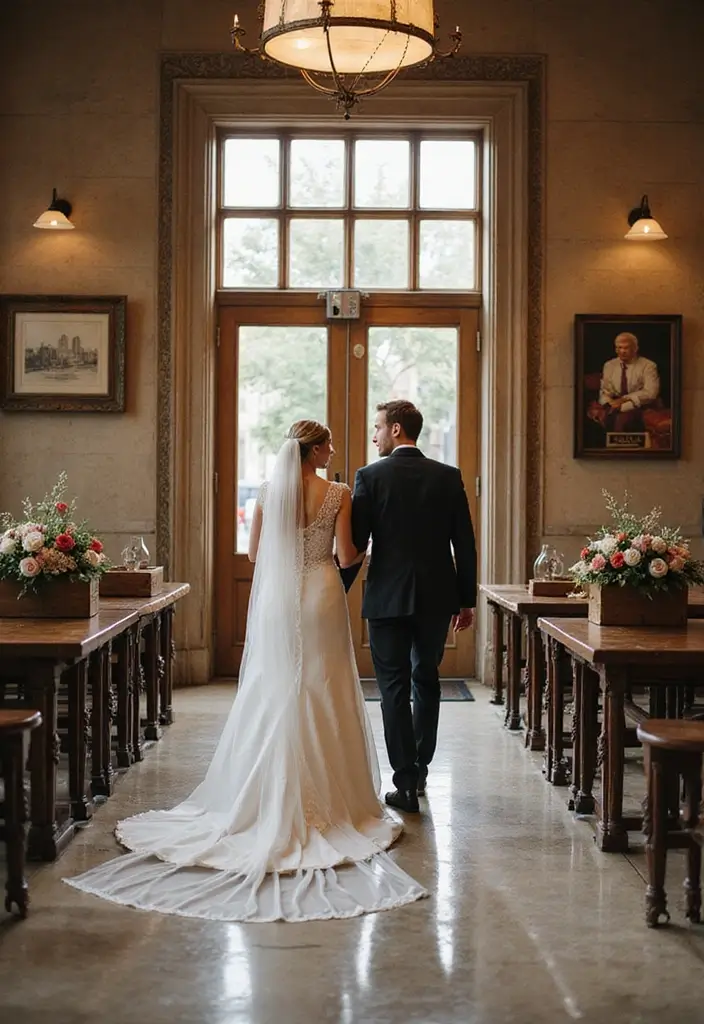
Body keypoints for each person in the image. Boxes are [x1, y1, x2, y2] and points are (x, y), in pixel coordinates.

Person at [65, 421, 427, 923]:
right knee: (322, 687)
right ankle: (331, 799)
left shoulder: (268, 492)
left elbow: (256, 555)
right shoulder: (338, 492)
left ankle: (260, 794)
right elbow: (345, 555)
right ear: (315, 449)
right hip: (321, 594)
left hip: (280, 598)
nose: (334, 450)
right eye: (328, 444)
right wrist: (367, 551)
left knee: (276, 687)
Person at [350, 400, 477, 814]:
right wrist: (465, 599)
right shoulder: (448, 476)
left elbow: (356, 543)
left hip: (387, 596)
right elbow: (465, 544)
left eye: (377, 428)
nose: (374, 436)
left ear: (397, 430)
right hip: (437, 597)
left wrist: (337, 584)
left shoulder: (370, 476)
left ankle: (404, 783)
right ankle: (421, 769)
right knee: (427, 679)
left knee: (392, 688)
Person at [598, 332, 660, 434]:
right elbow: (605, 391)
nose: (622, 351)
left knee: (623, 420)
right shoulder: (609, 365)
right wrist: (609, 403)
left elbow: (651, 393)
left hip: (640, 405)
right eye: (619, 348)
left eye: (626, 348)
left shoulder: (648, 366)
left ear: (635, 348)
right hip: (613, 405)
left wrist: (623, 401)